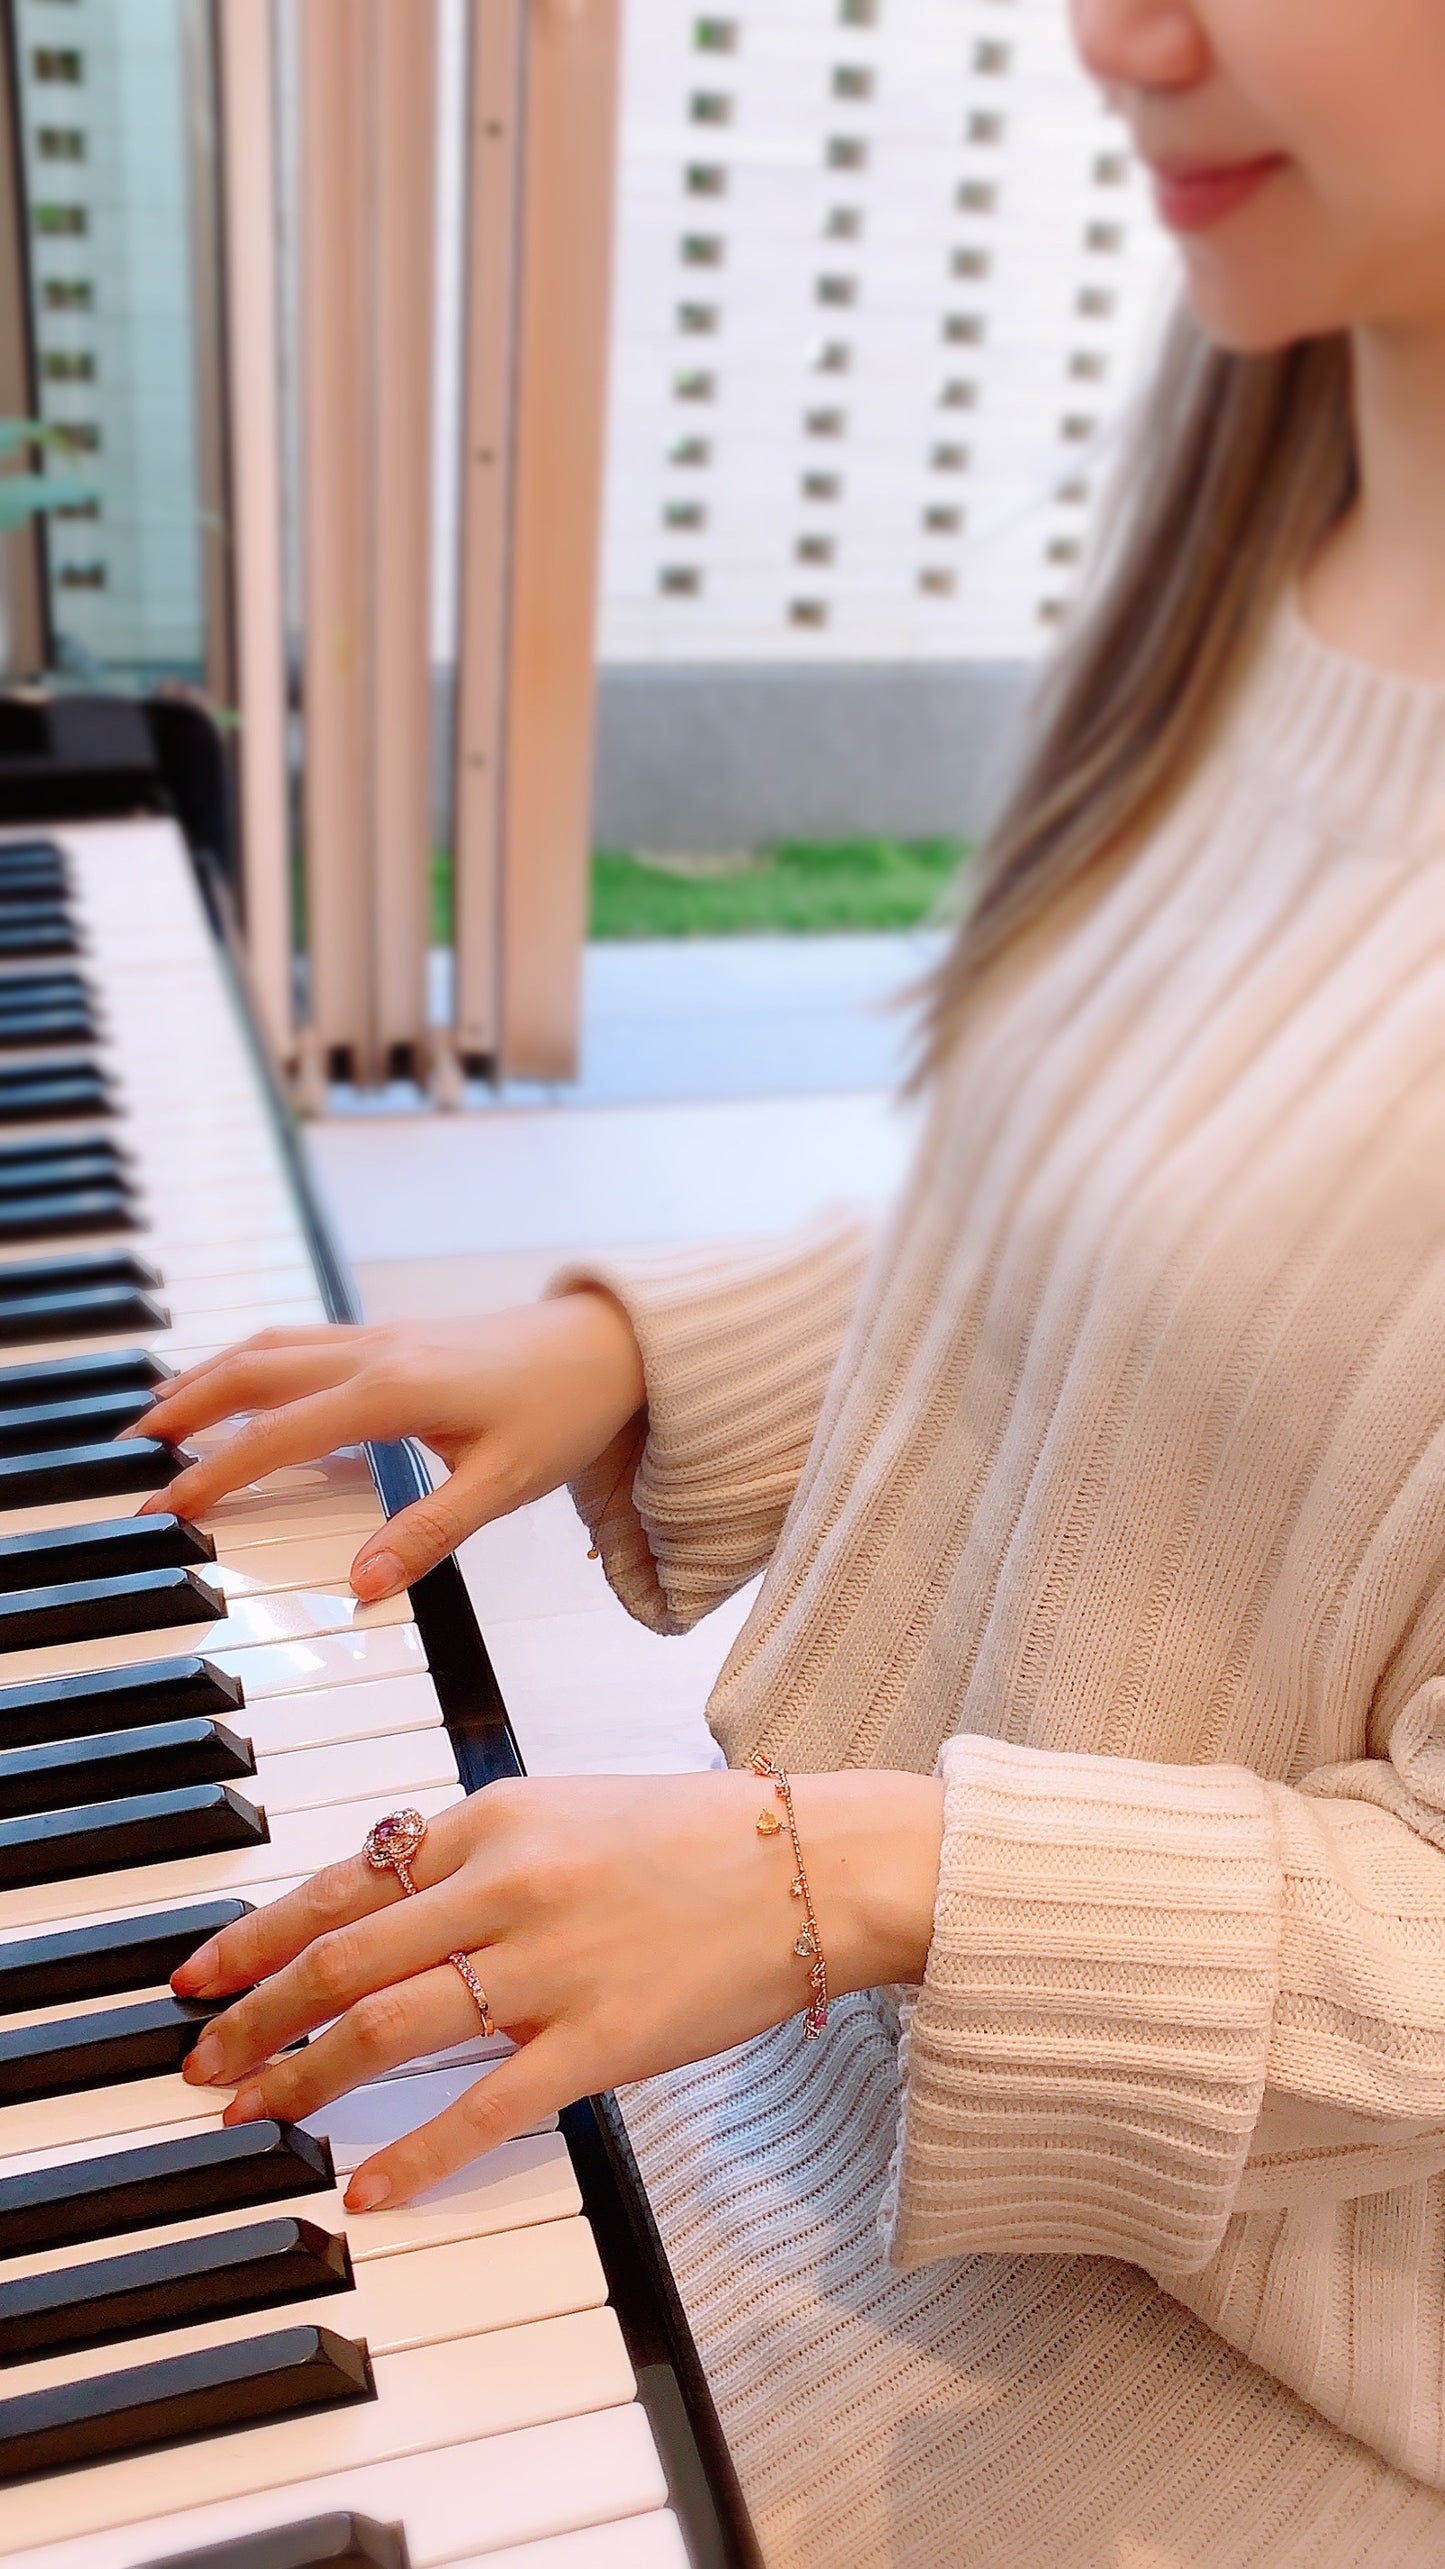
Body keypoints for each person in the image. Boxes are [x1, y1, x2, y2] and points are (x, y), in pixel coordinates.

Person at [134, 0, 1445, 2558]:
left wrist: (831, 1871)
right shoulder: (1264, 502)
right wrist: (633, 1351)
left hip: (1250, 2368)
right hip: (816, 2096)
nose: (1121, 32)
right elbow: (1211, 1241)